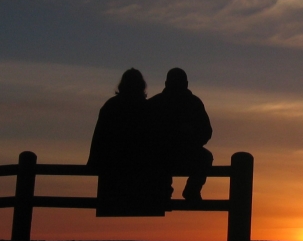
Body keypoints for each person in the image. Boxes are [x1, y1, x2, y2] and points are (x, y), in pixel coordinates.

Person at [87, 68, 166, 210]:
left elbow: (99, 137)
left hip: (114, 168)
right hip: (141, 170)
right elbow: (157, 141)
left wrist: (93, 161)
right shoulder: (147, 109)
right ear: (142, 85)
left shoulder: (111, 106)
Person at [146, 68, 213, 201]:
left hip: (169, 153)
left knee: (205, 157)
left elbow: (206, 131)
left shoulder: (155, 103)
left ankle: (176, 191)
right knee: (205, 157)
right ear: (187, 84)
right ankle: (189, 191)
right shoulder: (193, 103)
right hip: (168, 153)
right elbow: (206, 131)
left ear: (166, 83)